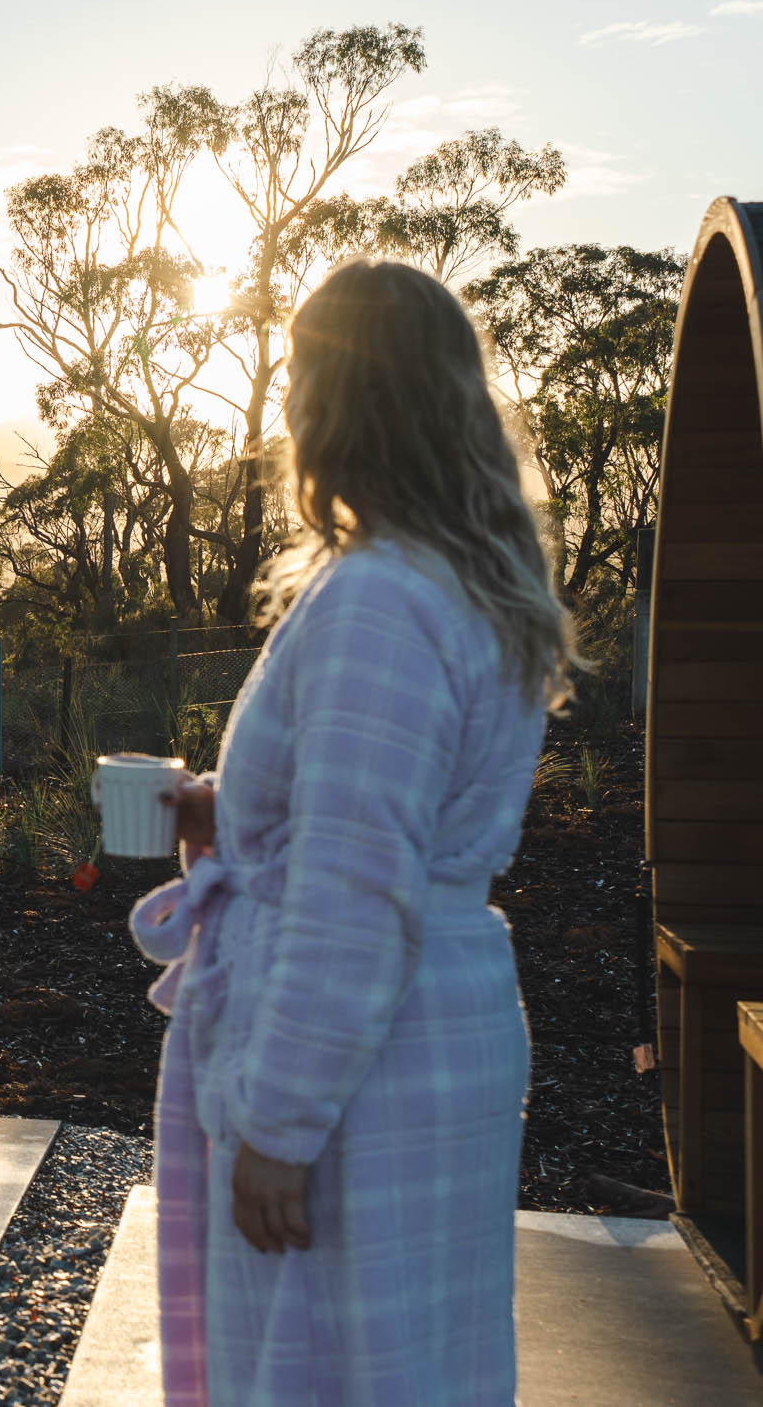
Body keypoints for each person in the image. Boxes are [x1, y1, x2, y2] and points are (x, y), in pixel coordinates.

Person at [124, 258, 577, 1406]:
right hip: (428, 1027)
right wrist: (236, 814)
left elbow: (354, 885)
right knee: (410, 1371)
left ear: (334, 399)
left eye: (294, 377)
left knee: (321, 1373)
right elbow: (391, 821)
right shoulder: (466, 585)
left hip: (359, 1066)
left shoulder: (378, 598)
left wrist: (279, 1122)